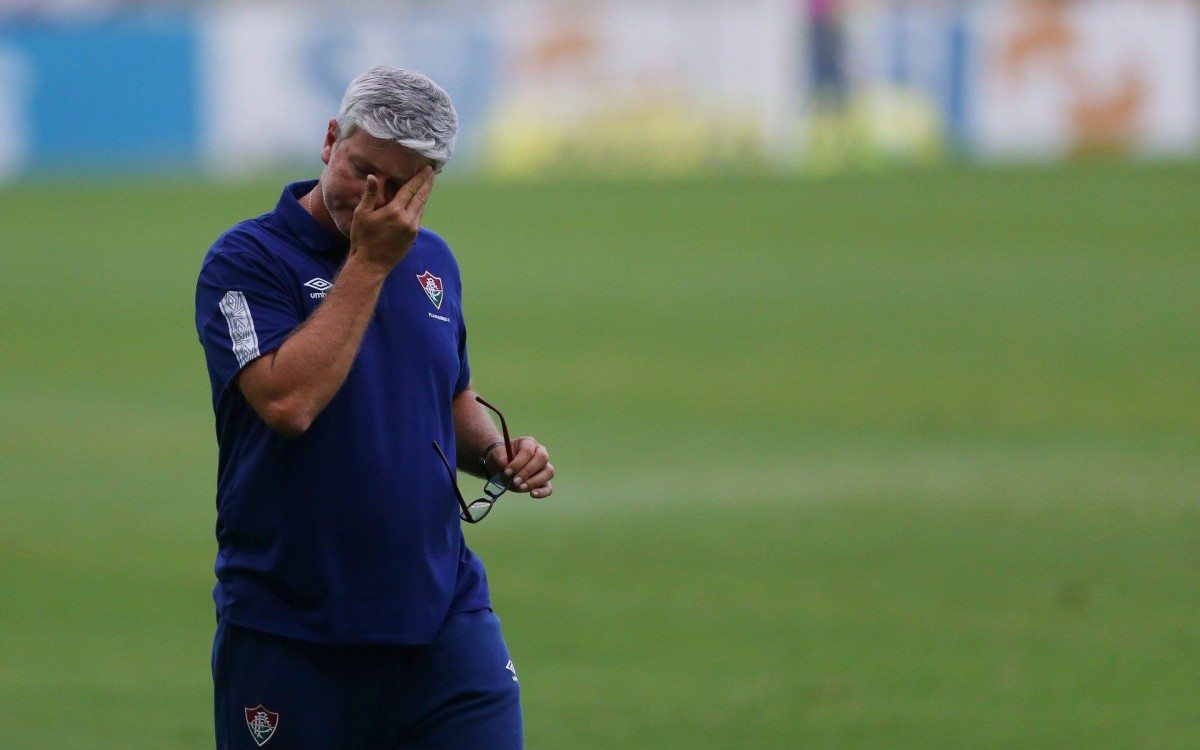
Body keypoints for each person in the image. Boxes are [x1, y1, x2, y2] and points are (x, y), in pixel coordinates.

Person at [195, 66, 554, 749]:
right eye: (362, 169)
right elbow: (287, 402)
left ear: (429, 183)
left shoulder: (434, 263)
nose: (371, 198)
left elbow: (446, 399)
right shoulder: (246, 261)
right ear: (330, 141)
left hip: (443, 614)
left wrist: (496, 455)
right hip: (293, 625)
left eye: (398, 185)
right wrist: (367, 264)